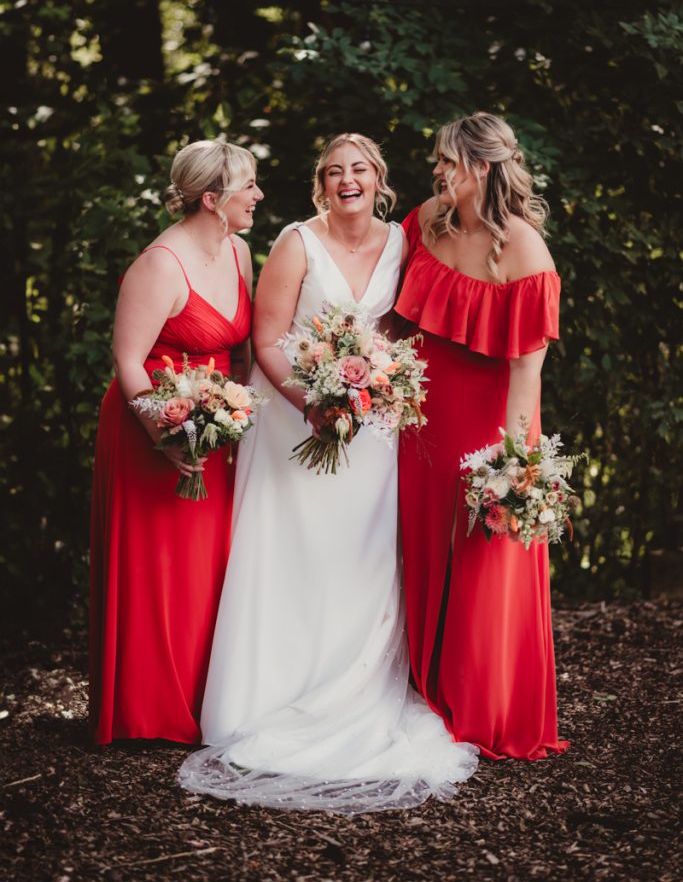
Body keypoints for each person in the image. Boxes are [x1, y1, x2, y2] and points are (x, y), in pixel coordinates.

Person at [178, 133, 478, 813]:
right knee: (290, 556)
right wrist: (311, 403)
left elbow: (401, 335)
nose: (349, 180)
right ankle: (270, 696)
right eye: (335, 171)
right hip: (292, 423)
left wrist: (378, 387)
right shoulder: (294, 242)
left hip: (370, 431)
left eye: (360, 170)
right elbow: (266, 338)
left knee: (361, 561)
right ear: (321, 183)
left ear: (378, 180)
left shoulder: (404, 243)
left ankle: (357, 690)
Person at [395, 111, 569, 761]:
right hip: (417, 427)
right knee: (415, 554)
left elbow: (526, 376)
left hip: (487, 432)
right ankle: (417, 686)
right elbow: (389, 321)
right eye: (436, 161)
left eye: (447, 162)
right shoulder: (426, 222)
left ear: (482, 167)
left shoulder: (525, 251)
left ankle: (482, 707)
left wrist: (515, 471)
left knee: (482, 565)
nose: (436, 172)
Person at [89, 139, 262, 745]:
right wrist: (164, 436)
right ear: (212, 200)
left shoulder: (240, 253)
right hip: (151, 423)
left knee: (207, 566)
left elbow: (241, 349)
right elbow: (128, 360)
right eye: (249, 187)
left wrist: (233, 415)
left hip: (216, 424)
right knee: (157, 566)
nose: (259, 196)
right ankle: (147, 712)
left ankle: (204, 702)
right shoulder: (160, 264)